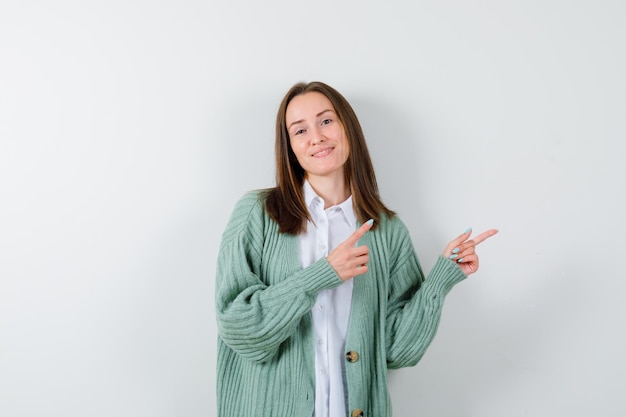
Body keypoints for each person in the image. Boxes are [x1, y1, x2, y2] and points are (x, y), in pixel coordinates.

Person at [215, 81, 497, 417]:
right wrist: (320, 276)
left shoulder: (387, 231)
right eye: (300, 130)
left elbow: (397, 351)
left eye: (326, 121)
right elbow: (238, 328)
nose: (316, 137)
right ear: (290, 147)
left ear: (347, 127)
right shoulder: (257, 213)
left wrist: (440, 280)